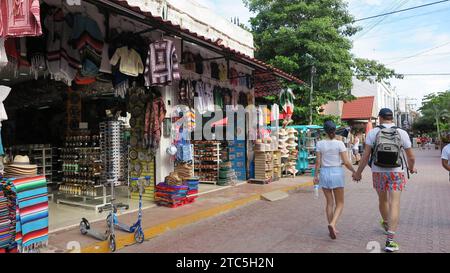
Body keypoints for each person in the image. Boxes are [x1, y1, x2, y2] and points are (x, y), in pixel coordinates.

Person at [353, 108, 416, 253]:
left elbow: (365, 156)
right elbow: (411, 157)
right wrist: (411, 168)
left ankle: (387, 223)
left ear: (380, 118)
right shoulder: (402, 132)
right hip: (396, 172)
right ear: (392, 118)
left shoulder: (373, 133)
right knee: (395, 203)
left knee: (383, 201)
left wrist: (358, 173)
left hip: (378, 172)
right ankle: (390, 240)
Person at [314, 120, 356, 240]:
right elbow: (347, 162)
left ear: (324, 131)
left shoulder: (320, 144)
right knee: (340, 203)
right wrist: (354, 172)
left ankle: (332, 226)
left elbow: (317, 162)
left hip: (324, 173)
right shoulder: (339, 144)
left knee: (329, 203)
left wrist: (315, 176)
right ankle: (333, 224)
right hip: (336, 172)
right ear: (334, 130)